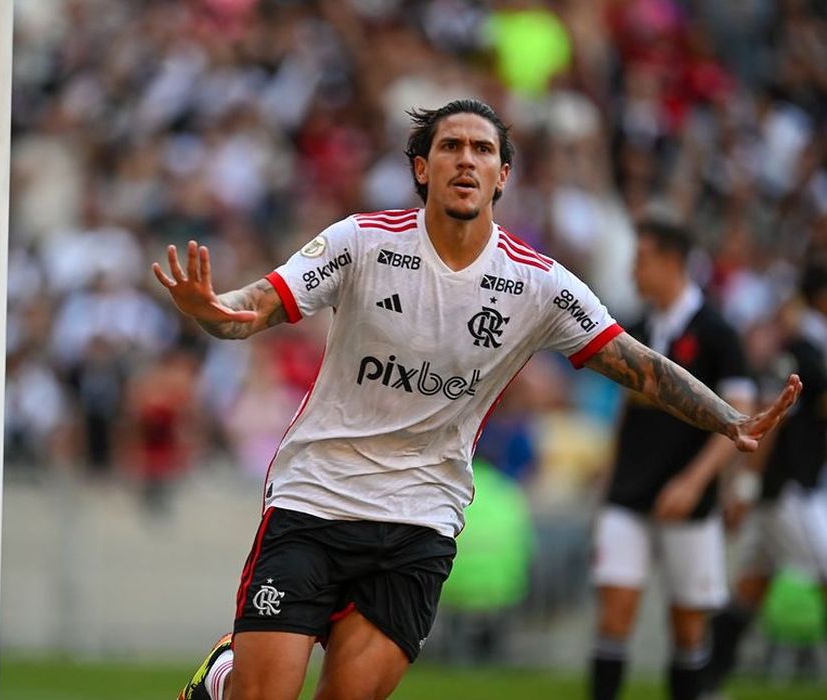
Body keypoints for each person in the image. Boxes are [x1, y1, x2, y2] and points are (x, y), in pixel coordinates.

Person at [151, 99, 802, 700]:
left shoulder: (538, 284)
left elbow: (640, 366)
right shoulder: (362, 242)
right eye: (451, 146)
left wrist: (729, 419)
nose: (467, 158)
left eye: (483, 150)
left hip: (419, 522)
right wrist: (211, 311)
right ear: (421, 169)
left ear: (502, 177)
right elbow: (254, 308)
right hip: (315, 500)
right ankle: (225, 678)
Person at [587, 220, 758, 700]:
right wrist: (608, 474)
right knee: (614, 612)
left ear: (671, 262)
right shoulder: (635, 330)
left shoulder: (719, 333)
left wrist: (692, 482)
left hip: (691, 502)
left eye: (640, 258)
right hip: (628, 495)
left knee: (687, 627)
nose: (633, 269)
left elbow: (736, 423)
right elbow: (626, 408)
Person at [702, 263, 827, 699]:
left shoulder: (814, 349)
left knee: (750, 590)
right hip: (785, 493)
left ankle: (704, 682)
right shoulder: (801, 353)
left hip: (793, 489)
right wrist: (745, 488)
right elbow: (771, 424)